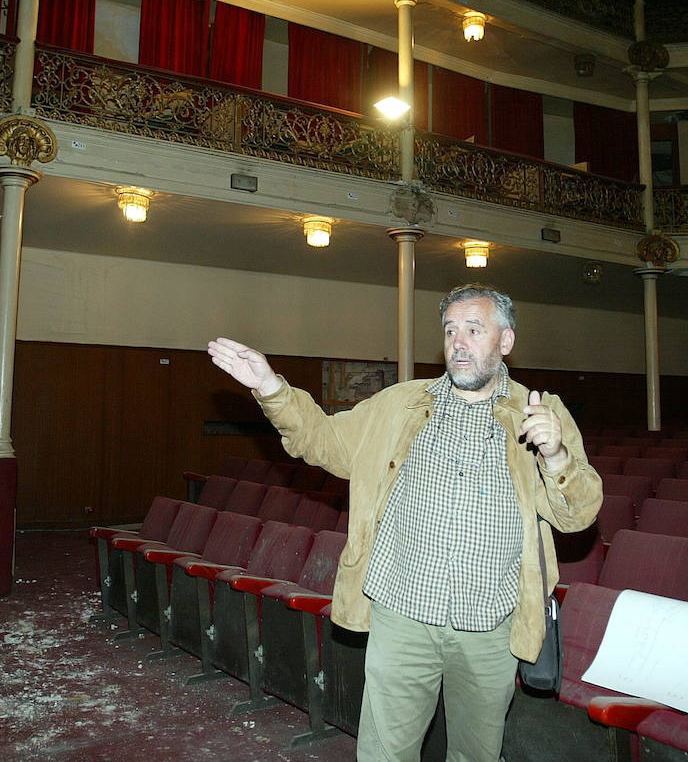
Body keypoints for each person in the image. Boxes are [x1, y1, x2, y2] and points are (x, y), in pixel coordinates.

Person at [207, 283, 602, 761]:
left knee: (475, 756)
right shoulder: (401, 405)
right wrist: (270, 386)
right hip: (403, 615)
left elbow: (578, 516)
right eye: (451, 330)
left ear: (506, 341)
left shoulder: (542, 413)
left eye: (474, 330)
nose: (459, 342)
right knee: (384, 754)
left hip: (490, 626)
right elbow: (324, 440)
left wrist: (556, 454)